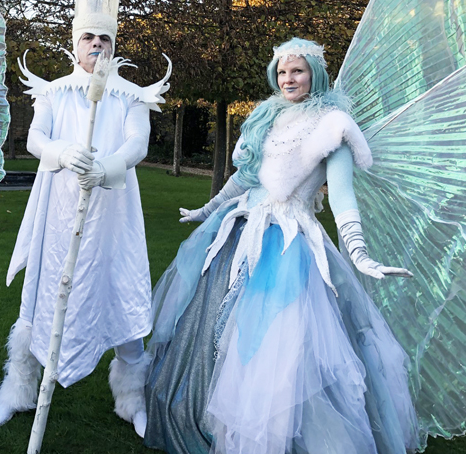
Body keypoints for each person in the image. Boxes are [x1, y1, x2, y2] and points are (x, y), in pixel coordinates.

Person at [144, 38, 420, 454]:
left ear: (316, 73)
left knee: (276, 341)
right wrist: (206, 209)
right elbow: (246, 178)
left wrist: (359, 253)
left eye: (298, 71)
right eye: (282, 71)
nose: (288, 78)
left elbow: (343, 196)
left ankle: (265, 434)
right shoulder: (266, 115)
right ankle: (211, 419)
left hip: (287, 243)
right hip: (239, 231)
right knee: (210, 329)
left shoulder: (333, 124)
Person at [0, 0, 169, 436]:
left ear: (113, 44)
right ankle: (19, 388)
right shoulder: (55, 91)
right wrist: (65, 154)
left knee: (119, 291)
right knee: (43, 293)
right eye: (89, 37)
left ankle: (131, 397)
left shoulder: (132, 96)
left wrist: (105, 167)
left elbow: (137, 144)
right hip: (58, 210)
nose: (97, 45)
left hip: (112, 214)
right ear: (76, 43)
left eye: (104, 38)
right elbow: (35, 140)